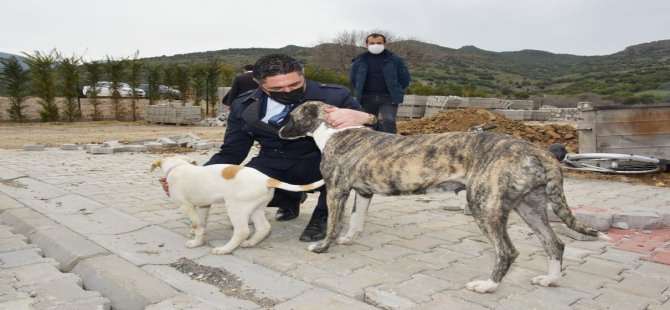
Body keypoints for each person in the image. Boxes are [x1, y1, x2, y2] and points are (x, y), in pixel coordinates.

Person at [160, 54, 378, 242]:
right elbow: (232, 151)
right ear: (259, 84)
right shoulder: (243, 105)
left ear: (303, 75)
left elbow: (372, 137)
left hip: (321, 161)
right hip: (274, 162)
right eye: (277, 88)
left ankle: (323, 215)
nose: (287, 90)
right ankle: (290, 199)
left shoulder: (335, 95)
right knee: (239, 188)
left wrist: (368, 117)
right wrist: (195, 177)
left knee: (343, 171)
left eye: (294, 85)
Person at [349, 33, 411, 134]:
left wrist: (395, 89)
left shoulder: (395, 60)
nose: (375, 45)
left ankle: (391, 146)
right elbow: (353, 79)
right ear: (366, 45)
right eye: (372, 43)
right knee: (367, 124)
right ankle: (368, 146)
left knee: (389, 121)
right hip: (366, 97)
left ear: (385, 44)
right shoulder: (359, 61)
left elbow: (405, 79)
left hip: (388, 97)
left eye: (378, 43)